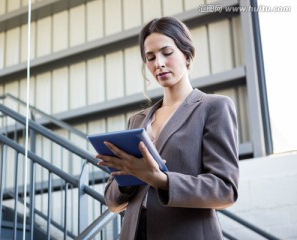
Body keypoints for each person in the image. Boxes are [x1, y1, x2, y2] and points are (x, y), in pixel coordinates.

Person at [96, 16, 239, 240]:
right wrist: (127, 177)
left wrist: (160, 179)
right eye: (150, 57)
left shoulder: (213, 107)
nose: (158, 63)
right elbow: (113, 202)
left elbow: (225, 190)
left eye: (167, 52)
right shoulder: (137, 121)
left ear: (187, 55)